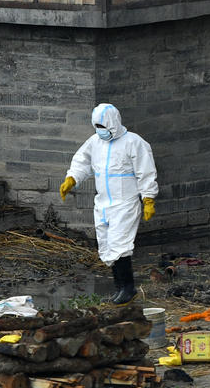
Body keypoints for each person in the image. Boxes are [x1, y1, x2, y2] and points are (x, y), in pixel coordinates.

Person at [59, 104, 158, 305]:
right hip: (103, 203)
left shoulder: (134, 143)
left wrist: (148, 198)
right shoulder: (95, 142)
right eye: (97, 126)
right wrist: (72, 178)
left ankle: (128, 289)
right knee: (106, 246)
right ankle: (119, 287)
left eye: (102, 125)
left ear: (112, 123)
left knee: (120, 246)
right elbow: (82, 161)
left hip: (125, 203)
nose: (100, 130)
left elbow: (145, 171)